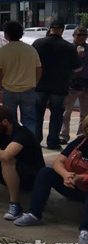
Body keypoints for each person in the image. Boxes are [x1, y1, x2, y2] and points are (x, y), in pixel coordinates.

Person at [13, 117, 88, 244]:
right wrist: (65, 175)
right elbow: (58, 162)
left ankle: (85, 231)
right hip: (73, 184)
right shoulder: (80, 142)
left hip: (84, 185)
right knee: (45, 173)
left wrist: (80, 178)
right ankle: (34, 214)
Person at [32, 20, 82, 150]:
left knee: (37, 114)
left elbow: (31, 63)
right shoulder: (68, 47)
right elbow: (78, 68)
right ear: (62, 30)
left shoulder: (38, 43)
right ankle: (53, 141)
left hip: (39, 84)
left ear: (50, 29)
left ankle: (36, 139)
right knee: (57, 115)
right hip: (59, 86)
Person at [0, 21, 41, 134]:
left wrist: (2, 85)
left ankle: (13, 141)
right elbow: (39, 69)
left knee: (10, 121)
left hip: (9, 89)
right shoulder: (31, 50)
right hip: (28, 89)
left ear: (6, 35)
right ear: (21, 34)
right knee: (29, 120)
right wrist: (35, 83)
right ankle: (29, 141)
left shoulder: (3, 51)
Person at [62, 26, 88, 144]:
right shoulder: (68, 49)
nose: (81, 37)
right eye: (79, 35)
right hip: (71, 84)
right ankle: (64, 135)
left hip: (86, 84)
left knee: (84, 113)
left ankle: (81, 135)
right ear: (73, 36)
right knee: (66, 112)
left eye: (84, 35)